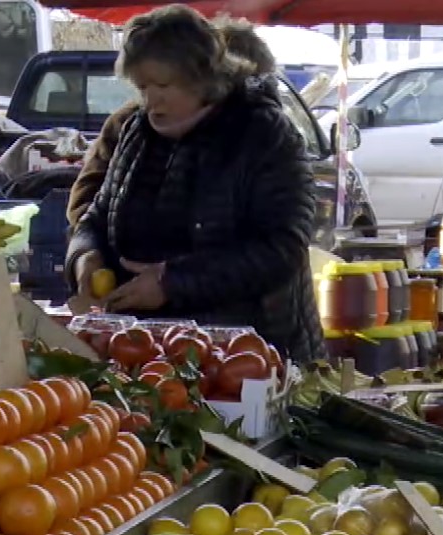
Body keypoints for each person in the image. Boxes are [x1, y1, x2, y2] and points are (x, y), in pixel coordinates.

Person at [65, 5, 324, 362]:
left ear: (201, 77)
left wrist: (172, 282)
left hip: (244, 354)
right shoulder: (136, 133)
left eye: (162, 85)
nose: (150, 100)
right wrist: (85, 257)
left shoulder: (263, 134)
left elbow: (282, 247)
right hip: (148, 351)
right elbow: (95, 215)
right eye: (142, 87)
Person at [67, 16, 278, 227]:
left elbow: (280, 233)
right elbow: (86, 200)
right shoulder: (130, 124)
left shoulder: (265, 133)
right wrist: (96, 251)